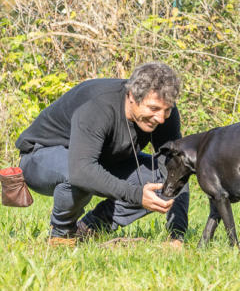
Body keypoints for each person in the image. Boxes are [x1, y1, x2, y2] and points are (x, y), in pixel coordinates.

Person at [16, 62, 189, 247]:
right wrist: (137, 195)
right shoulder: (99, 105)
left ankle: (89, 229)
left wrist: (177, 236)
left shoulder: (163, 111)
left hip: (100, 159)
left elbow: (176, 169)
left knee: (165, 181)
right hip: (41, 157)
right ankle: (61, 235)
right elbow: (81, 171)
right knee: (77, 175)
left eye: (167, 110)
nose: (161, 118)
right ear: (131, 96)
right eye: (153, 109)